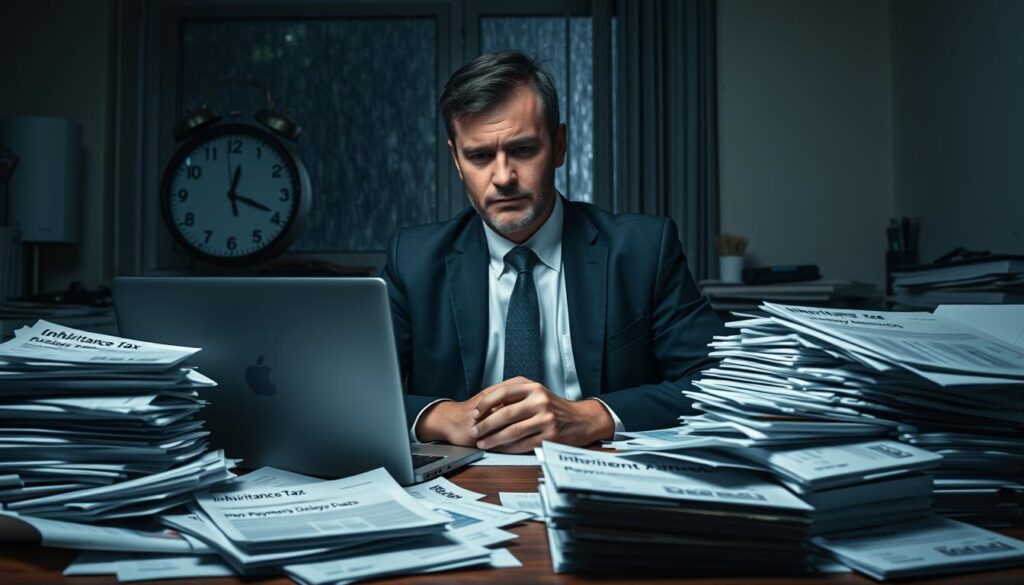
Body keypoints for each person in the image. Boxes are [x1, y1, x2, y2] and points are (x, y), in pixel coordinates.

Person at [381, 50, 723, 454]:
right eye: (480, 156)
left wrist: (592, 417)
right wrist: (442, 417)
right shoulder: (414, 260)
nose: (504, 177)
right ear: (456, 159)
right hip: (464, 486)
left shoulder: (644, 251)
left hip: (604, 479)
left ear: (559, 146)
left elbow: (717, 382)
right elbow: (349, 390)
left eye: (524, 150)